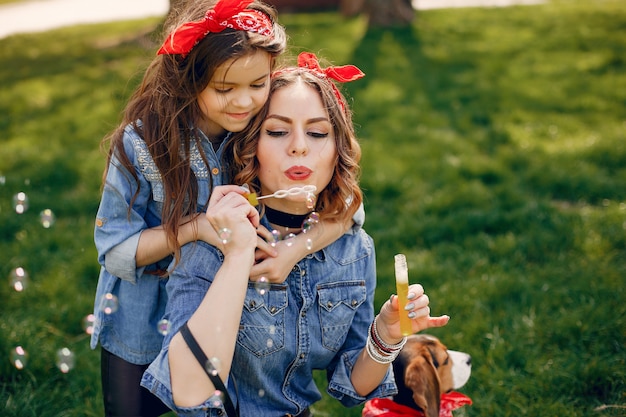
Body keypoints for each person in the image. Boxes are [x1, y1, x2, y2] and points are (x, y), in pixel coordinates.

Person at [141, 52, 450, 417]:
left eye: (318, 132)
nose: (299, 145)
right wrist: (239, 254)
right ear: (250, 145)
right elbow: (190, 391)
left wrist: (386, 333)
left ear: (339, 150)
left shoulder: (354, 249)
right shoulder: (214, 238)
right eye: (277, 131)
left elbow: (355, 385)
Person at [91, 2, 347, 416]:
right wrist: (195, 228)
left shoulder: (269, 126)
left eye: (258, 84)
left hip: (226, 314)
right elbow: (115, 250)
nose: (244, 102)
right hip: (140, 315)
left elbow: (348, 206)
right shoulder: (141, 144)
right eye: (224, 89)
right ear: (189, 79)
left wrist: (291, 252)